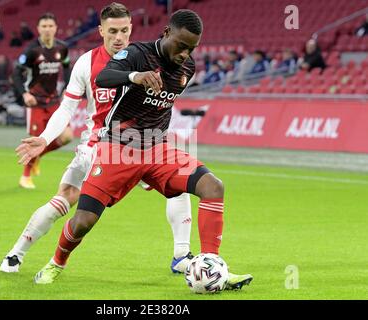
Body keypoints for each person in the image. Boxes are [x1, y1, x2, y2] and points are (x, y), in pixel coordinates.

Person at [31, 9, 253, 289]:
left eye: (191, 48)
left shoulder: (187, 68)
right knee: (83, 221)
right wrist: (135, 76)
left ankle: (212, 267)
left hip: (157, 149)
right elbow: (105, 77)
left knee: (213, 187)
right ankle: (56, 263)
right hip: (118, 149)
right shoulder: (138, 53)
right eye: (181, 46)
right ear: (166, 34)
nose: (185, 53)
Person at [0, 2, 195, 276]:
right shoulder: (87, 63)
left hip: (136, 145)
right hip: (99, 146)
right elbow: (67, 107)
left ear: (131, 30)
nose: (119, 37)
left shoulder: (145, 57)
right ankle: (16, 254)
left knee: (176, 183)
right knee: (66, 199)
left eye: (124, 31)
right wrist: (44, 139)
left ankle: (181, 256)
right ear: (101, 30)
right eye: (112, 31)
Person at [12, 12, 73, 189]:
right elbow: (16, 72)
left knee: (67, 136)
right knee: (34, 138)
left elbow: (68, 67)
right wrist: (25, 94)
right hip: (35, 102)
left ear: (56, 28)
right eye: (44, 26)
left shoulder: (62, 48)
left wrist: (67, 89)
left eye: (50, 26)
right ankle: (25, 177)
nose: (47, 29)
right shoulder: (32, 50)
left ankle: (38, 156)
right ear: (38, 29)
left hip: (54, 100)